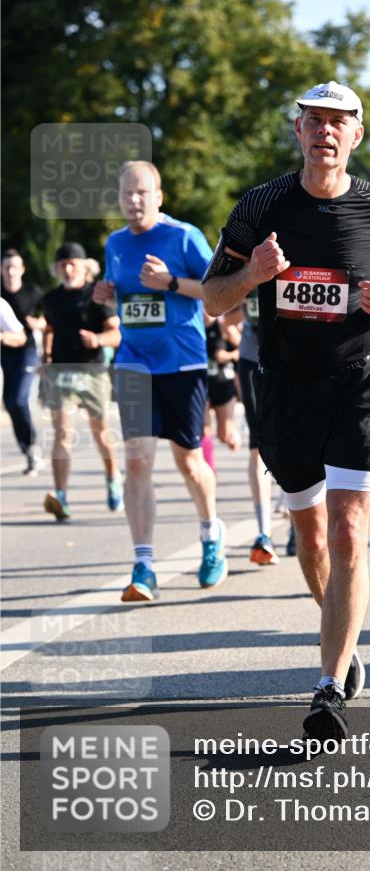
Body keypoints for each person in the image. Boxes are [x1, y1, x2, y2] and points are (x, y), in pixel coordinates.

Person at [202, 80, 370, 742]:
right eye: (314, 120)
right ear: (296, 131)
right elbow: (214, 299)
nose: (325, 131)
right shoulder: (261, 205)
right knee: (312, 537)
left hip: (360, 385)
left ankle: (327, 688)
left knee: (349, 528)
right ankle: (343, 640)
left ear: (355, 135)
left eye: (339, 122)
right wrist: (254, 275)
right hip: (285, 390)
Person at [93, 160, 226, 602]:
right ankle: (143, 563)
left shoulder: (183, 236)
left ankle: (211, 534)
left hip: (182, 362)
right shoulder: (114, 243)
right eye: (126, 193)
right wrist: (106, 294)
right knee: (136, 461)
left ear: (158, 197)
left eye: (141, 193)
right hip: (134, 361)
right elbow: (121, 294)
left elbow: (218, 292)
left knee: (189, 461)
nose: (133, 201)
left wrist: (170, 282)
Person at [40, 243, 122, 521]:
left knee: (100, 431)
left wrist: (98, 340)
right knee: (61, 430)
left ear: (85, 266)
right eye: (63, 264)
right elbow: (49, 329)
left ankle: (113, 477)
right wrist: (47, 357)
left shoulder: (98, 296)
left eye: (73, 263)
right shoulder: (51, 299)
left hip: (93, 370)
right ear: (57, 268)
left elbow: (116, 335)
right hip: (62, 371)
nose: (68, 268)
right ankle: (60, 495)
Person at [236, 288, 283, 564]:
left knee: (297, 444)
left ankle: (296, 525)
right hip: (252, 359)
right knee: (258, 446)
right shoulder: (239, 250)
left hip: (294, 356)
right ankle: (264, 532)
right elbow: (216, 304)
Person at [1, 249, 45, 474]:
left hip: (26, 350)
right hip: (4, 353)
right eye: (6, 267)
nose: (10, 272)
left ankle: (32, 446)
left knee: (18, 400)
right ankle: (27, 447)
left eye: (14, 267)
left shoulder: (32, 292)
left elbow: (47, 317)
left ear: (22, 269)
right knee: (8, 403)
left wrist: (40, 323)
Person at [202, 310, 242, 473]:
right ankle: (209, 467)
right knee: (203, 429)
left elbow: (243, 350)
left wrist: (226, 355)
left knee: (223, 435)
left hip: (223, 383)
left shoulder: (224, 326)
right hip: (203, 383)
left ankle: (234, 433)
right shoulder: (194, 328)